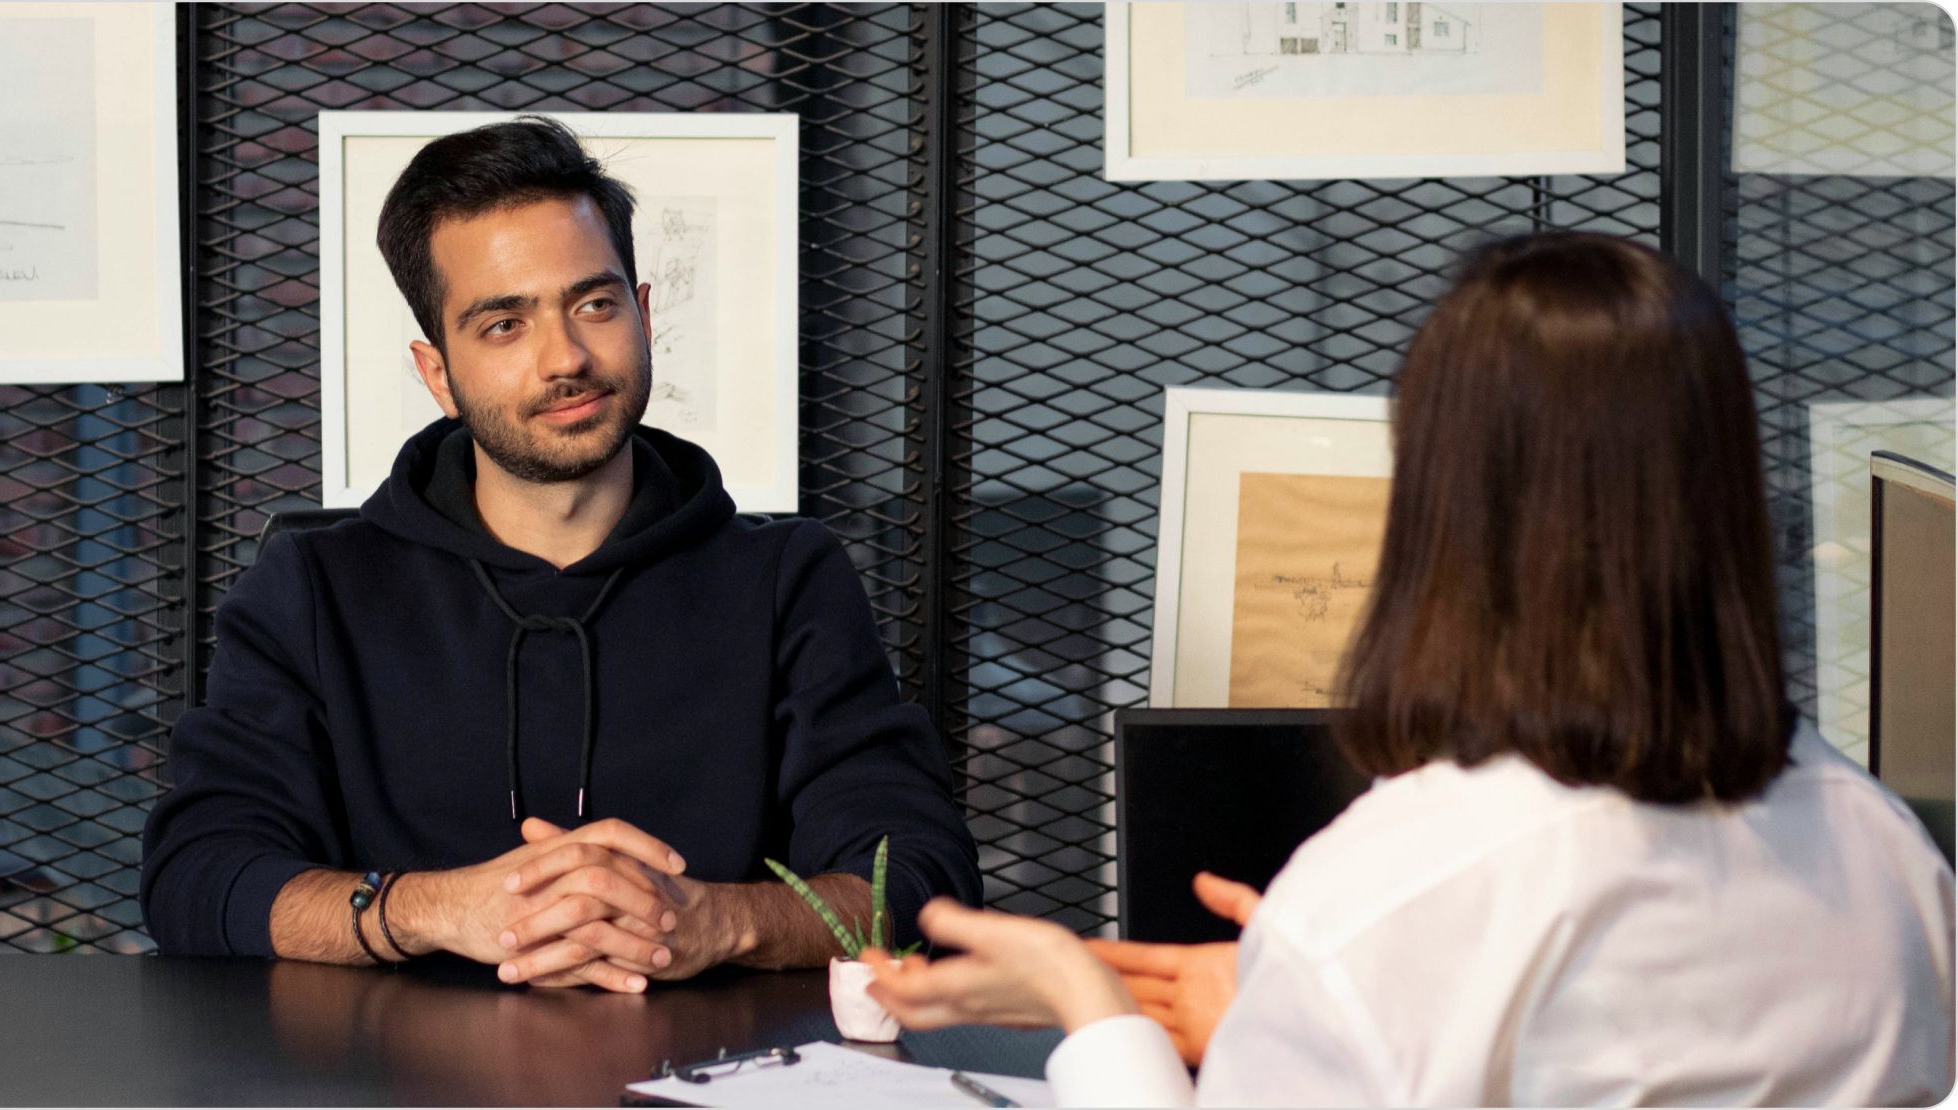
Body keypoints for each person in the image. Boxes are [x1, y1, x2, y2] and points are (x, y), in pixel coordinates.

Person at [861, 232, 1956, 1105]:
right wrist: (1307, 991)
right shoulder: (1890, 856)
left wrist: (1091, 1013)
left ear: (1445, 509)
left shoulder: (1394, 891)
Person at [140, 116, 981, 991]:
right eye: (504, 324)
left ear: (644, 313)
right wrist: (438, 909)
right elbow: (197, 878)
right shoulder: (315, 588)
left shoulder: (787, 580)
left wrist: (713, 921)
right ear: (438, 374)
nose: (567, 358)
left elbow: (924, 885)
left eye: (594, 304)